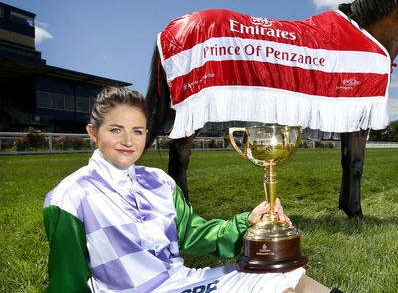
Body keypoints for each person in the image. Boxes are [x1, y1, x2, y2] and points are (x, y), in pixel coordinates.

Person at [43, 87, 341, 293]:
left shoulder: (159, 181)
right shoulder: (70, 196)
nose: (128, 141)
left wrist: (246, 223)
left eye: (138, 131)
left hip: (180, 282)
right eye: (115, 129)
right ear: (93, 132)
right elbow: (67, 277)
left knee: (279, 275)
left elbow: (194, 235)